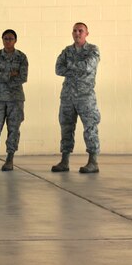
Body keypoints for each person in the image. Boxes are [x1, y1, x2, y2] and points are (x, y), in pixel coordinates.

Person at [52, 22, 101, 173]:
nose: (77, 33)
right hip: (67, 97)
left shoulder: (93, 50)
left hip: (85, 97)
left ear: (87, 33)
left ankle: (93, 162)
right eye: (75, 31)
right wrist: (77, 68)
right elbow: (58, 69)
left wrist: (70, 66)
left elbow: (88, 66)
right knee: (66, 128)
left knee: (90, 128)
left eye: (81, 31)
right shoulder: (67, 51)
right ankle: (64, 161)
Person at [0, 29, 28, 172]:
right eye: (6, 38)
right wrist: (11, 74)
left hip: (16, 99)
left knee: (13, 129)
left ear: (15, 40)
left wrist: (4, 76)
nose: (8, 41)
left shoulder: (21, 57)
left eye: (11, 38)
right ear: (2, 40)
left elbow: (23, 77)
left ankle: (10, 159)